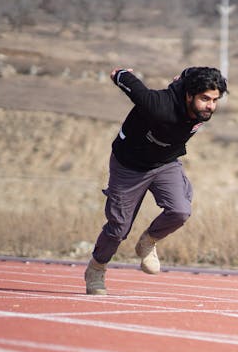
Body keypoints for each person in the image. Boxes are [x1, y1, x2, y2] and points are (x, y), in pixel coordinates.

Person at [85, 66, 227, 295]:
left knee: (180, 210)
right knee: (118, 228)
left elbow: (190, 72)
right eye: (205, 99)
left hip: (165, 164)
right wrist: (120, 74)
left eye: (215, 100)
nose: (210, 106)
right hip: (128, 166)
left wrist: (184, 76)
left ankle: (148, 241)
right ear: (189, 95)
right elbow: (133, 87)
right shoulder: (159, 105)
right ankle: (97, 267)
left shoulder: (202, 109)